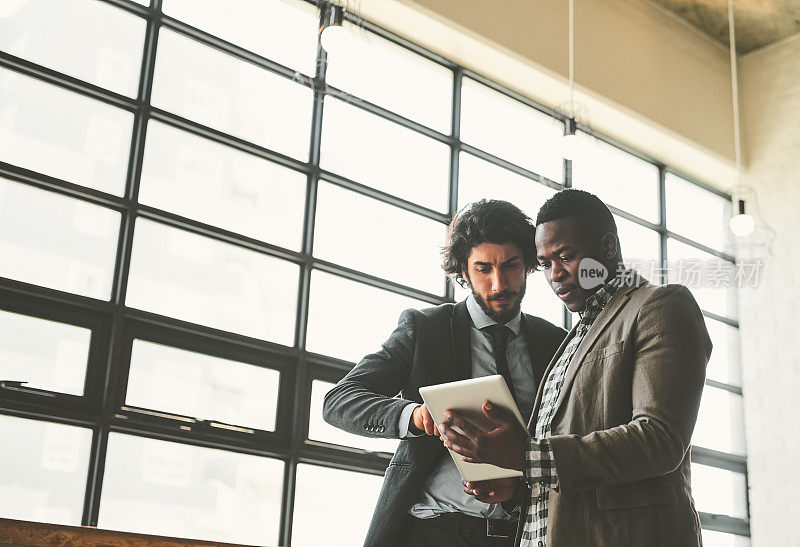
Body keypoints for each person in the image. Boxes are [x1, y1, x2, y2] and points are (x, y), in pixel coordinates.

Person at [440, 189, 712, 547]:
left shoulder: (660, 305)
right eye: (546, 263)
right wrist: (521, 482)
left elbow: (660, 439)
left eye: (565, 256)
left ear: (608, 248)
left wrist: (528, 455)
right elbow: (571, 468)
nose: (555, 274)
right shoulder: (575, 336)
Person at [323, 199, 567, 547]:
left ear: (527, 265)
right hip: (431, 533)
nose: (499, 284)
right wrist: (414, 415)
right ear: (463, 273)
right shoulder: (426, 329)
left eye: (511, 266)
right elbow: (340, 401)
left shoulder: (555, 343)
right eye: (483, 269)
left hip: (523, 535)